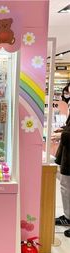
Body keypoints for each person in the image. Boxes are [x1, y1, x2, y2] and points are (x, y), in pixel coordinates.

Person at [55, 82, 70, 237]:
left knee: (67, 187)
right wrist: (64, 130)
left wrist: (62, 134)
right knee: (65, 187)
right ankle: (67, 217)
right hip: (67, 157)